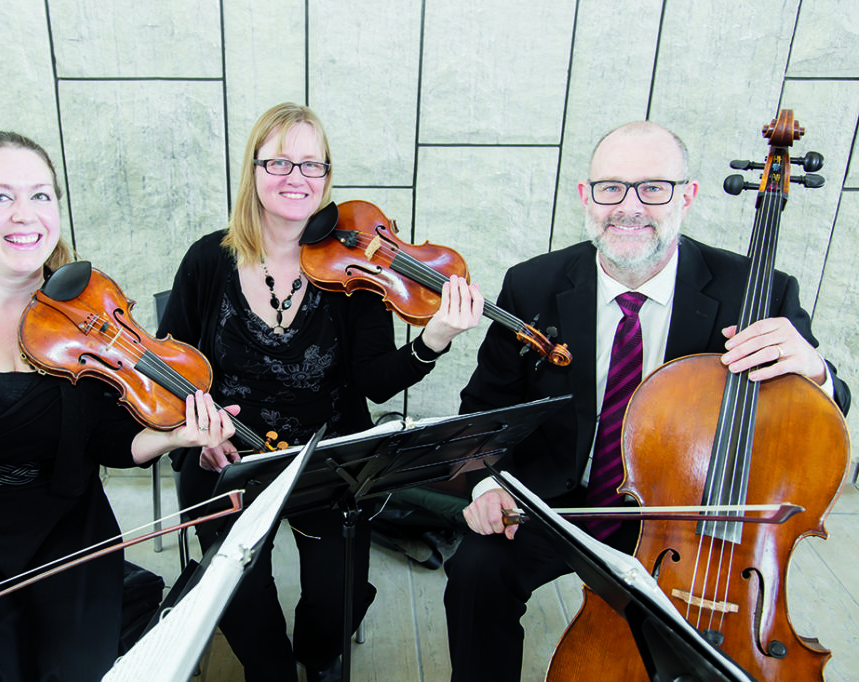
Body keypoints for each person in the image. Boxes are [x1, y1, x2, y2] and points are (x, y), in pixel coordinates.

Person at [442, 121, 851, 680]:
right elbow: (482, 412)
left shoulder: (757, 290)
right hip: (559, 500)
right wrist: (488, 484)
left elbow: (827, 409)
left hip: (689, 521)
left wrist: (816, 370)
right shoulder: (533, 284)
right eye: (611, 187)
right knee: (475, 572)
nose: (629, 207)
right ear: (586, 196)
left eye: (653, 188)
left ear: (688, 196)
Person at [0, 131, 236, 681]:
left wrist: (174, 436)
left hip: (68, 533)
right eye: (0, 197)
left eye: (41, 195)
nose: (24, 214)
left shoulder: (86, 309)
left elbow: (106, 437)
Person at [157, 102, 483, 681]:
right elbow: (169, 365)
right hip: (225, 456)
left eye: (311, 165)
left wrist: (433, 338)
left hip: (327, 458)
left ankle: (317, 654)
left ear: (327, 177)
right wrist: (196, 431)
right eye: (279, 162)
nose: (295, 178)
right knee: (235, 589)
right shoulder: (209, 259)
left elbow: (374, 379)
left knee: (338, 592)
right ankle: (274, 671)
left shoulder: (352, 266)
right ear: (252, 171)